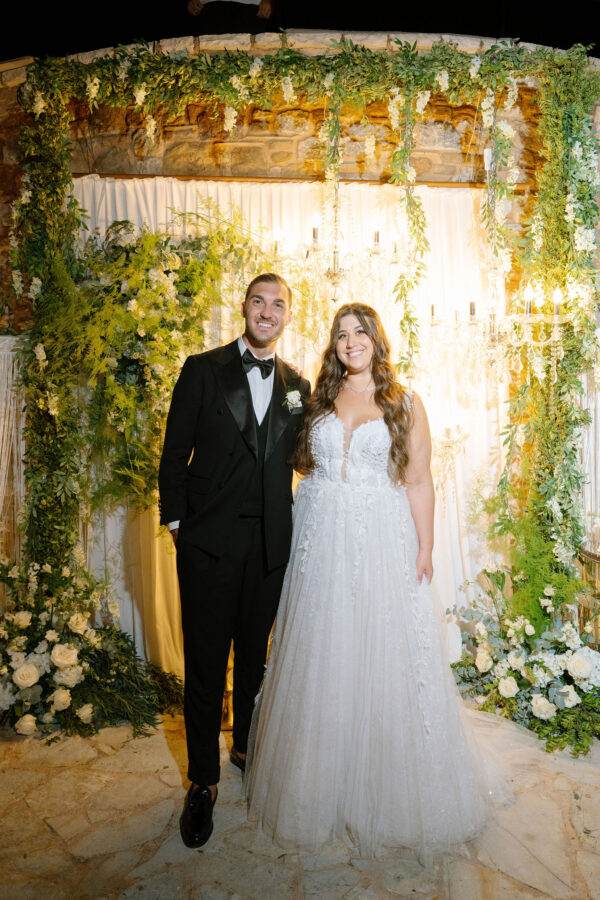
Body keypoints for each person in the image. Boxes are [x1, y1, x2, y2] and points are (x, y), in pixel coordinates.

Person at [246, 302, 504, 857]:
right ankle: (316, 786)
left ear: (376, 339)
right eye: (341, 334)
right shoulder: (315, 400)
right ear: (333, 345)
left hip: (381, 543)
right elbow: (296, 467)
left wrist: (427, 546)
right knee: (324, 656)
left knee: (383, 654)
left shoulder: (404, 402)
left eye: (359, 332)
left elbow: (418, 481)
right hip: (321, 544)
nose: (350, 342)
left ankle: (393, 790)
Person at [158, 273, 310, 848]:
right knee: (204, 665)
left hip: (270, 547)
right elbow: (174, 454)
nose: (266, 312)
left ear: (287, 317)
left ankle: (245, 746)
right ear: (243, 307)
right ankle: (202, 781)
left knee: (254, 660)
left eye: (278, 305)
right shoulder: (202, 368)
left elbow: (304, 458)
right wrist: (180, 527)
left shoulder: (298, 383)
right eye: (258, 301)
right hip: (208, 546)